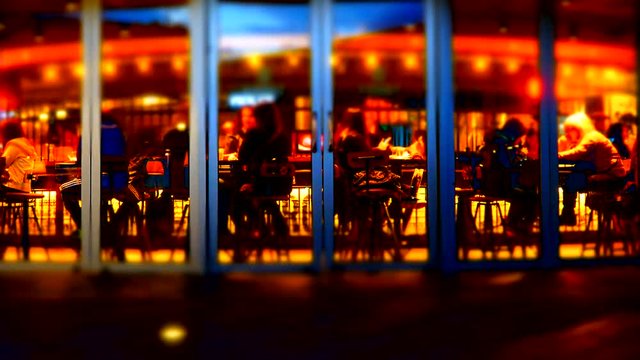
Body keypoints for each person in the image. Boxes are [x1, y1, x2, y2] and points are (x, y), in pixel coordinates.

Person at [558, 112, 626, 226]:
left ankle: (568, 214)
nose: (568, 133)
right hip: (610, 173)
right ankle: (568, 214)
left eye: (571, 129)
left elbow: (579, 152)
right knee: (574, 177)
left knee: (572, 180)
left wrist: (558, 155)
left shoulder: (591, 137)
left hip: (612, 177)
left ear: (580, 127)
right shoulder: (591, 136)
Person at [1, 120, 37, 194]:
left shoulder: (14, 144)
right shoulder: (25, 144)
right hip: (25, 188)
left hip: (12, 186)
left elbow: (3, 163)